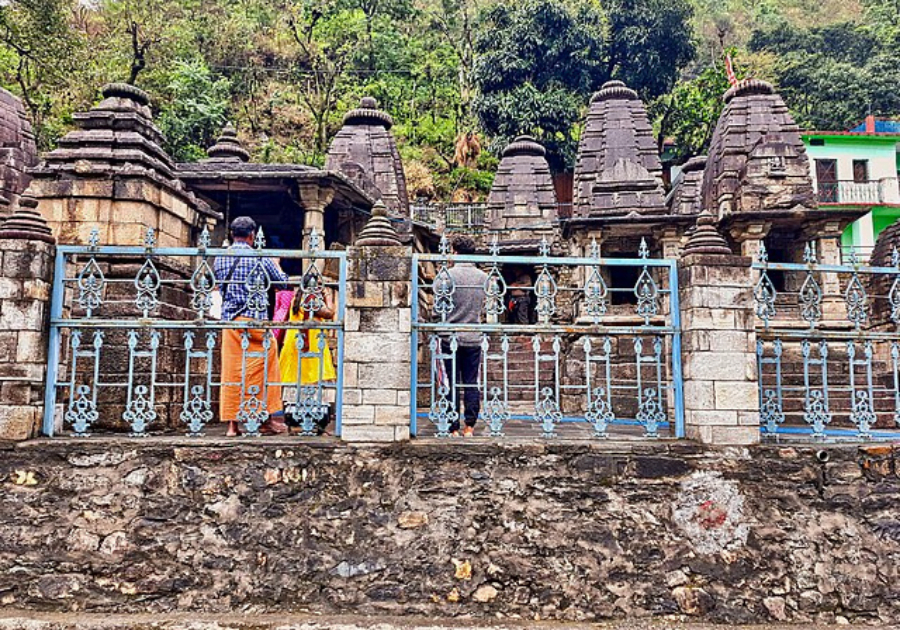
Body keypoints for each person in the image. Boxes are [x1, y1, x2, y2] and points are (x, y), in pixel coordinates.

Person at [214, 216, 289, 437]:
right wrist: (276, 264)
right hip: (254, 319)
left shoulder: (220, 258)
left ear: (231, 234)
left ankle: (232, 425)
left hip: (231, 321)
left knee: (232, 371)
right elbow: (282, 282)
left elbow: (215, 283)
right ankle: (264, 419)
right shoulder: (259, 257)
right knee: (264, 366)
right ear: (252, 235)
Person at [278, 269, 337, 434]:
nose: (319, 287)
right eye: (317, 284)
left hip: (295, 344)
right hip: (309, 345)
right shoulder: (311, 299)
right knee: (313, 382)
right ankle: (313, 423)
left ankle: (295, 423)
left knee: (296, 382)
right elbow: (329, 313)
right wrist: (328, 295)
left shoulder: (297, 299)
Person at [442, 235, 487, 436]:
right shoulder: (483, 277)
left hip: (449, 336)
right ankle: (470, 425)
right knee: (471, 381)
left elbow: (438, 306)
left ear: (454, 251)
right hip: (473, 336)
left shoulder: (446, 276)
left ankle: (452, 427)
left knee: (449, 382)